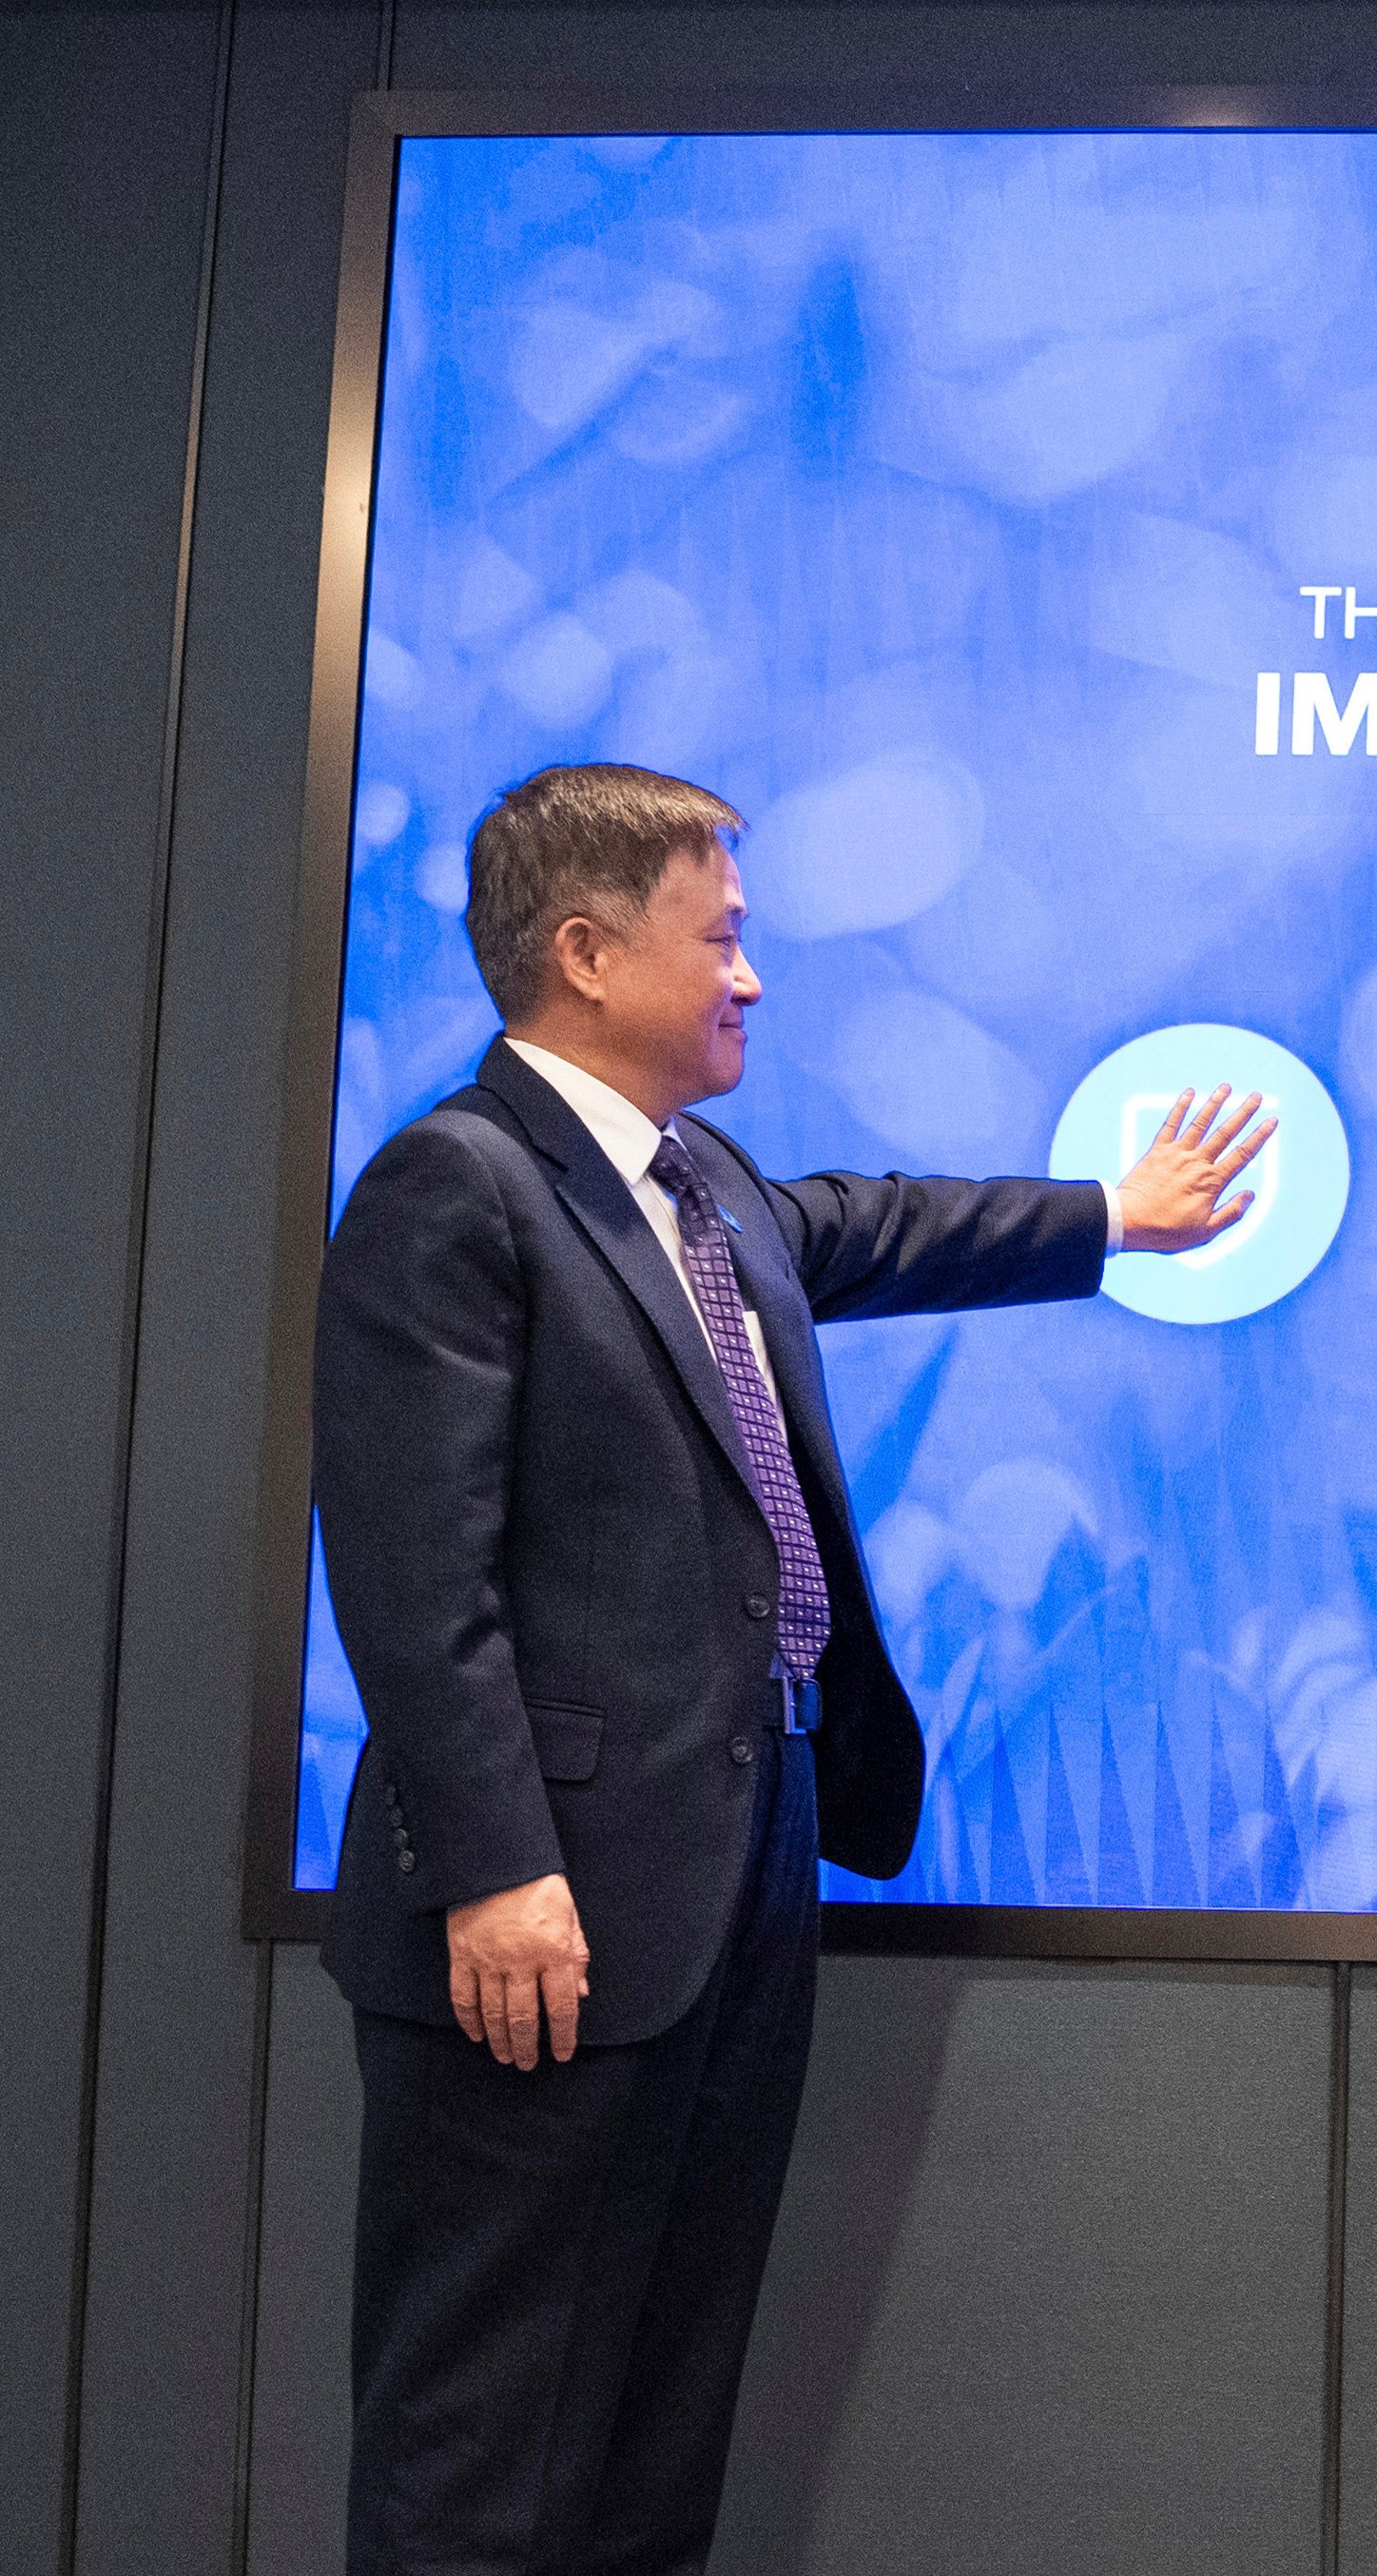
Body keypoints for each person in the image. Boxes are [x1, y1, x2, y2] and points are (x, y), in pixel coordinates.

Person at [314, 762, 1270, 2574]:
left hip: (733, 1869)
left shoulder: (707, 1189)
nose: (751, 976)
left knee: (664, 2405)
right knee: (488, 2428)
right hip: (547, 1902)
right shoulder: (461, 1184)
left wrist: (1109, 1215)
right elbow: (411, 1577)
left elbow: (872, 1224)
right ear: (589, 954)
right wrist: (505, 1865)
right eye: (722, 937)